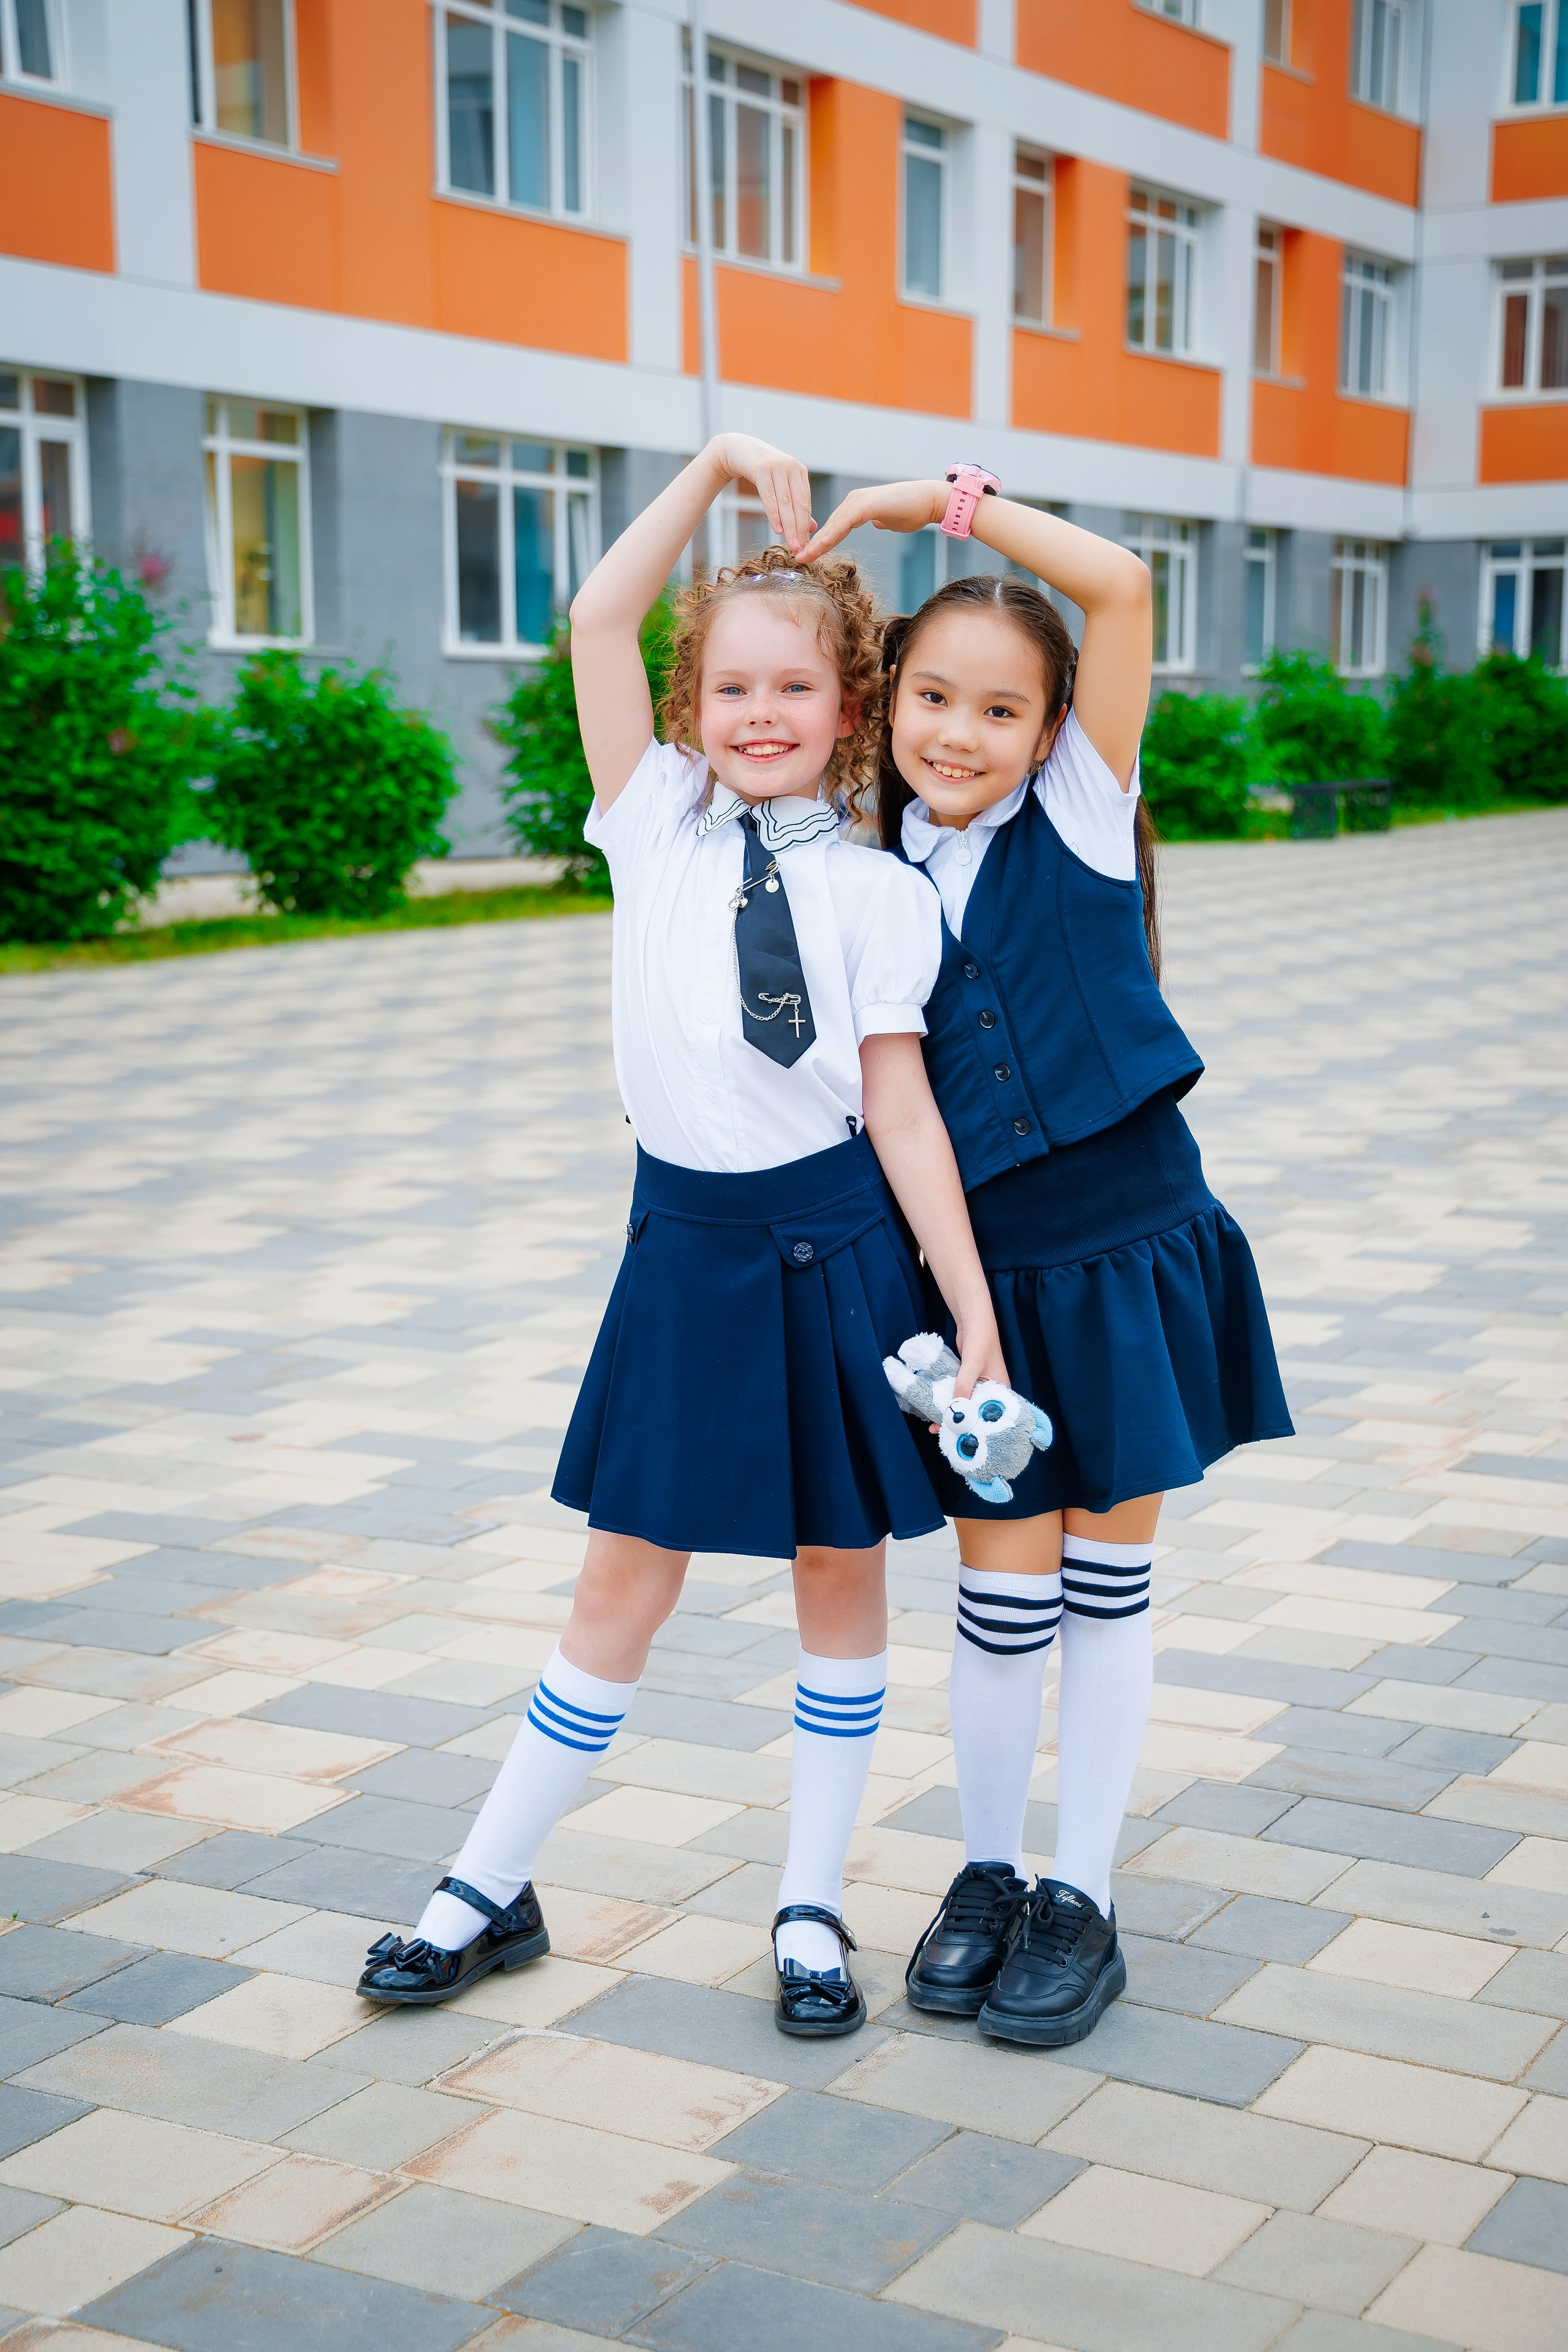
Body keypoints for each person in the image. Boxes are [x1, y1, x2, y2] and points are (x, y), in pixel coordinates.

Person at [357, 435, 1006, 2039]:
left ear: (851, 712)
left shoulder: (881, 899)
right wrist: (714, 464)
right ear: (685, 709)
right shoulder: (647, 823)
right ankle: (488, 1885)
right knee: (619, 1581)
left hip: (839, 1261)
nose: (761, 715)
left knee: (837, 1575)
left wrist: (972, 1312)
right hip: (683, 1253)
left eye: (795, 689)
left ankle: (809, 1904)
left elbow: (903, 1116)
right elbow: (593, 616)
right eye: (728, 689)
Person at [799, 477, 1294, 2047]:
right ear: (885, 711)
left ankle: (1081, 1896)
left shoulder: (1078, 809)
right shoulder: (873, 876)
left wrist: (934, 507)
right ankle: (989, 1873)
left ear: (1051, 726)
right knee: (997, 1599)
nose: (958, 732)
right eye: (931, 699)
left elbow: (1124, 585)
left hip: (1125, 1248)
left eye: (999, 708)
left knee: (1104, 1579)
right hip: (986, 1293)